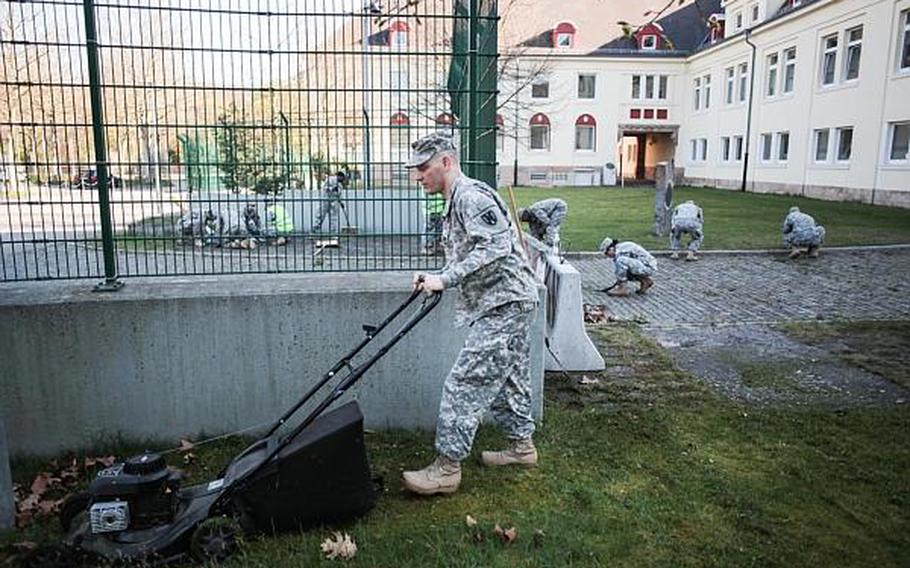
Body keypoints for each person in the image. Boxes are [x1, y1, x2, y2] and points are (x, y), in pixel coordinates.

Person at [402, 132, 540, 496]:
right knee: (510, 377)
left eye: (423, 168)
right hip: (505, 301)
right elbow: (470, 251)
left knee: (465, 383)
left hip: (506, 303)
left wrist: (444, 280)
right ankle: (521, 448)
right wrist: (435, 276)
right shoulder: (455, 200)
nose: (418, 176)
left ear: (446, 162)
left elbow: (494, 246)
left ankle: (446, 469)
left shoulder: (471, 196)